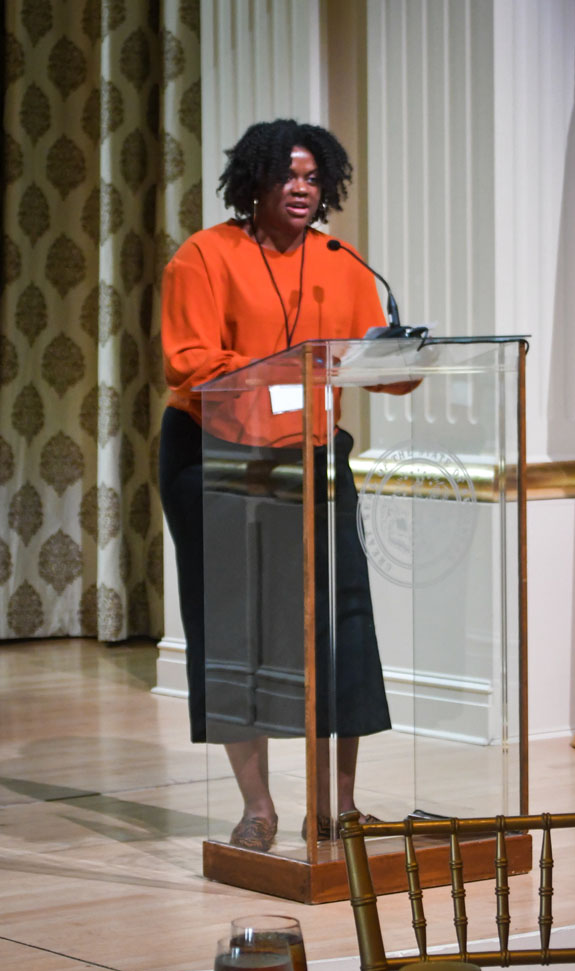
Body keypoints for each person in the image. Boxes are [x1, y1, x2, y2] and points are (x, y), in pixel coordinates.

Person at [159, 118, 415, 853]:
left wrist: (402, 361)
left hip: (313, 456)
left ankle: (336, 808)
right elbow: (190, 363)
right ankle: (258, 809)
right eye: (286, 175)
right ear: (256, 181)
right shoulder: (205, 256)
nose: (301, 188)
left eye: (311, 177)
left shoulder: (341, 261)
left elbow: (371, 362)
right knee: (237, 631)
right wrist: (290, 367)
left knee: (341, 622)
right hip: (217, 454)